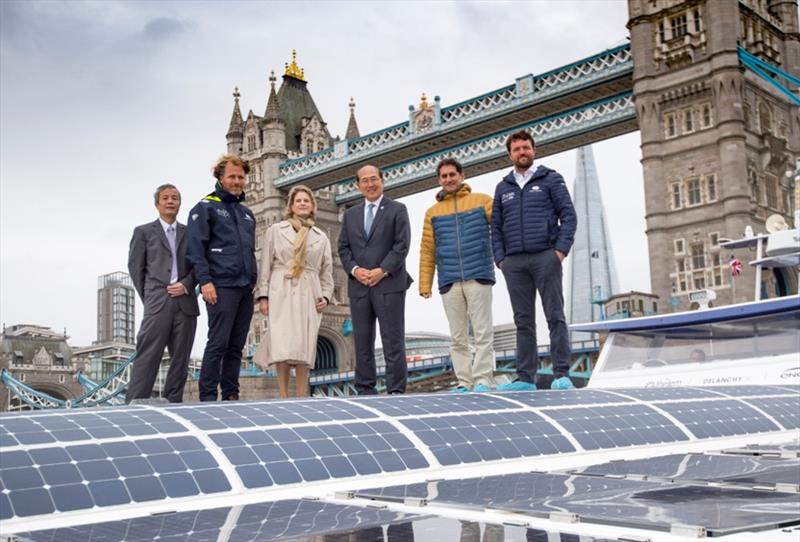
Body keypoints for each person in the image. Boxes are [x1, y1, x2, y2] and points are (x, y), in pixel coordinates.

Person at [491, 131, 577, 391]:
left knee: (555, 315)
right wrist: (500, 260)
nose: (522, 152)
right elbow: (495, 227)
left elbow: (569, 217)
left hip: (545, 257)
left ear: (534, 150)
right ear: (510, 155)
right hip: (514, 263)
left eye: (526, 147)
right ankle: (525, 378)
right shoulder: (502, 187)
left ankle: (561, 374)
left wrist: (559, 251)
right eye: (516, 149)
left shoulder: (551, 179)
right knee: (523, 321)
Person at [419, 158, 496, 393]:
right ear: (439, 180)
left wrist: (503, 260)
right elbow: (428, 249)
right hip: (449, 279)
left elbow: (502, 229)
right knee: (457, 337)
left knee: (483, 332)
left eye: (453, 174)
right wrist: (425, 283)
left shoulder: (483, 201)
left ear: (462, 176)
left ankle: (483, 379)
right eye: (444, 176)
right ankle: (464, 381)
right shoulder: (432, 212)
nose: (449, 179)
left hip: (478, 274)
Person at [338, 164, 413, 395]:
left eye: (374, 179)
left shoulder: (398, 209)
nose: (370, 184)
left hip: (389, 283)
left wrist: (382, 270)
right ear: (358, 186)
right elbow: (343, 248)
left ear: (383, 180)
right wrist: (355, 270)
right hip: (359, 286)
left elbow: (402, 246)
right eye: (365, 181)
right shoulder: (350, 215)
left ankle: (396, 390)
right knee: (362, 342)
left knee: (392, 340)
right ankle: (365, 389)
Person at [187, 155, 257, 401]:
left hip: (245, 286)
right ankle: (207, 396)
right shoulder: (205, 207)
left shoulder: (247, 213)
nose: (237, 181)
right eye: (232, 177)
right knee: (218, 342)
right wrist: (205, 281)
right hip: (220, 285)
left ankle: (230, 394)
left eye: (240, 177)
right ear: (220, 177)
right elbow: (195, 249)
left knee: (237, 346)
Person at [255, 185, 334, 398]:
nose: (302, 204)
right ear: (290, 206)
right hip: (281, 288)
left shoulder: (321, 237)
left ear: (312, 206)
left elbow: (327, 271)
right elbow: (265, 265)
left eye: (306, 201)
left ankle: (301, 395)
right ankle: (283, 394)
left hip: (310, 290)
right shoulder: (275, 231)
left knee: (303, 345)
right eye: (298, 201)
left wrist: (326, 296)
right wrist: (263, 296)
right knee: (282, 343)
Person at [127, 184, 199, 402]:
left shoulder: (191, 233)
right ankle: (134, 405)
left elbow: (200, 265)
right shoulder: (143, 232)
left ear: (179, 203)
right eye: (166, 198)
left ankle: (173, 404)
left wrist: (186, 284)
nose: (170, 201)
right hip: (157, 302)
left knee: (181, 360)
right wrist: (151, 297)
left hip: (185, 303)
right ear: (157, 203)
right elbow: (135, 268)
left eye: (175, 198)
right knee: (148, 356)